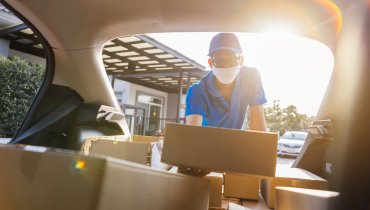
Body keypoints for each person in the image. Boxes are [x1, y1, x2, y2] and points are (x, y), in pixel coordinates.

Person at [185, 33, 267, 131]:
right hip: (206, 143)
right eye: (219, 60)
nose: (225, 66)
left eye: (231, 59)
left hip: (236, 142)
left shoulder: (251, 77)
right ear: (211, 63)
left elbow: (259, 128)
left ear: (241, 60)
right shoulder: (197, 91)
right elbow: (193, 134)